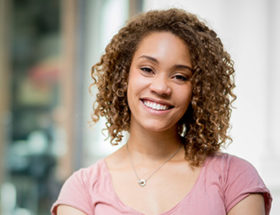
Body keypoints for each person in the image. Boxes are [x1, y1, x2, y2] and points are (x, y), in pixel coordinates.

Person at [51, 8, 272, 215]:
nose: (161, 88)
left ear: (199, 90)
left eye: (180, 76)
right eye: (147, 69)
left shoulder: (235, 178)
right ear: (123, 76)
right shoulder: (82, 191)